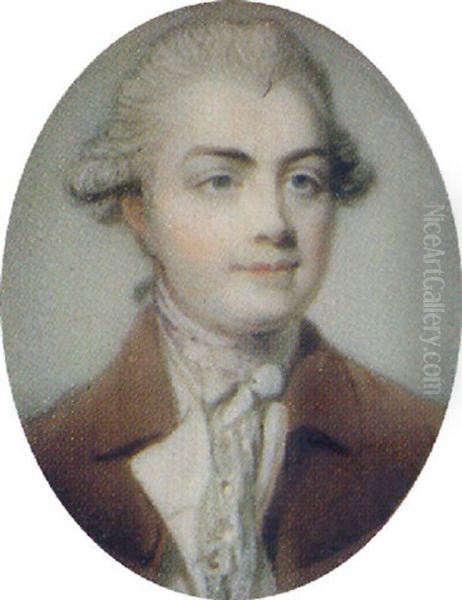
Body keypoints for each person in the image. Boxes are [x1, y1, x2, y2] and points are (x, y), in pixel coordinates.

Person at [25, 13, 444, 599]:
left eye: (303, 181)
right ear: (140, 213)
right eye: (220, 180)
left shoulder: (419, 442)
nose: (274, 223)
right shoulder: (47, 456)